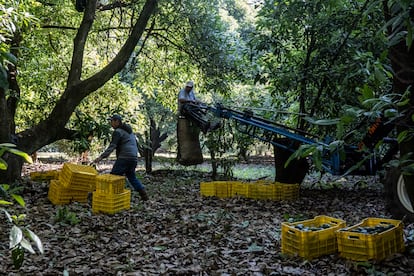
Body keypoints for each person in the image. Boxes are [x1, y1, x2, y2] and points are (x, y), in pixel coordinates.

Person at [93, 114, 148, 201]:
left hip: (125, 158)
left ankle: (110, 197)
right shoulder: (129, 131)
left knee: (113, 177)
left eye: (112, 121)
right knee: (132, 176)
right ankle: (144, 195)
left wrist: (101, 157)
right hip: (133, 158)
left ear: (117, 122)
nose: (111, 123)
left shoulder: (118, 131)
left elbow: (112, 146)